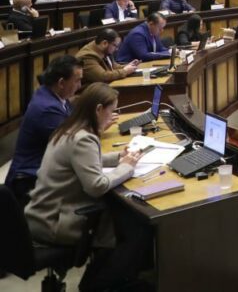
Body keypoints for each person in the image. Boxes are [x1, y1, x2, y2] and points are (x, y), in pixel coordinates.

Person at [25, 82, 149, 291]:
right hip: (56, 222)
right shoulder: (83, 139)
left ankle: (101, 280)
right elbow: (96, 186)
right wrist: (127, 168)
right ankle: (102, 284)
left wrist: (118, 157)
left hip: (42, 214)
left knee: (124, 218)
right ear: (98, 109)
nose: (114, 115)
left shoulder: (69, 129)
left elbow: (87, 160)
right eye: (112, 110)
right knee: (134, 227)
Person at [4, 56, 83, 205]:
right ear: (61, 83)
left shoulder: (54, 95)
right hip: (30, 178)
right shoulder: (47, 108)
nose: (80, 85)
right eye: (77, 80)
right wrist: (96, 125)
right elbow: (72, 144)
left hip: (44, 167)